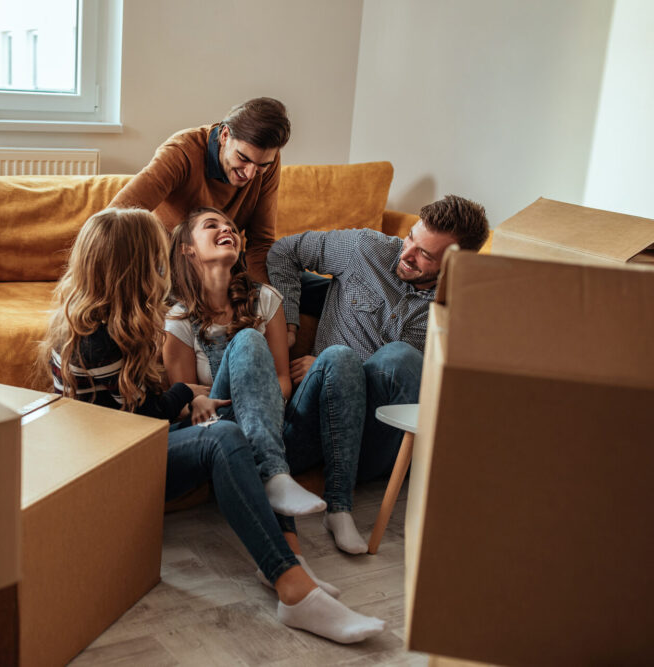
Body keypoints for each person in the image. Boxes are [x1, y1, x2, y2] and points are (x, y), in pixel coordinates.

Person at [43, 207, 385, 644]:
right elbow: (133, 426)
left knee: (245, 351)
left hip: (137, 440)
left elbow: (138, 412)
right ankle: (295, 585)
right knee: (224, 434)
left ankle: (291, 565)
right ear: (134, 265)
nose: (162, 265)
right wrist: (187, 396)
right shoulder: (97, 339)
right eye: (155, 256)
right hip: (114, 463)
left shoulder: (115, 319)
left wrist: (189, 398)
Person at [267, 195, 490, 554]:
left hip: (375, 443)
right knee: (338, 357)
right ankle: (339, 508)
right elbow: (283, 251)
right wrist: (289, 323)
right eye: (410, 239)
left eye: (425, 255)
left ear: (454, 266)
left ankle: (341, 498)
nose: (407, 254)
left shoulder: (463, 307)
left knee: (400, 358)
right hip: (314, 418)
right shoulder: (364, 249)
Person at [162, 207, 324, 517]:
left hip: (267, 415)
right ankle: (274, 474)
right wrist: (238, 403)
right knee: (249, 339)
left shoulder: (266, 299)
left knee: (256, 342)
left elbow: (282, 383)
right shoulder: (179, 317)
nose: (228, 230)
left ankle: (276, 476)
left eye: (232, 227)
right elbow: (186, 401)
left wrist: (256, 407)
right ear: (188, 250)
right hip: (215, 424)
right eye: (212, 226)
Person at [109, 97, 290, 286]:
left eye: (262, 165)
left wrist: (264, 299)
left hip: (225, 266)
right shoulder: (182, 151)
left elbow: (261, 242)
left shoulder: (267, 161)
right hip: (168, 264)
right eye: (243, 158)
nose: (251, 174)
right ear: (225, 135)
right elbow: (115, 217)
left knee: (314, 288)